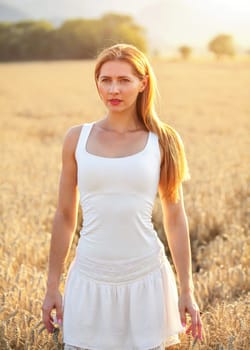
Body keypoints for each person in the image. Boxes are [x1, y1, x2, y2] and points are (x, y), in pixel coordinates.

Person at [42, 43, 202, 350]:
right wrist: (52, 286)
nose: (113, 89)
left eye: (124, 80)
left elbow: (175, 217)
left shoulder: (164, 140)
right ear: (97, 83)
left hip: (147, 279)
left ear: (143, 83)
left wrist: (187, 290)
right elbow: (64, 215)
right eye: (106, 80)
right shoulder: (76, 138)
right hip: (89, 278)